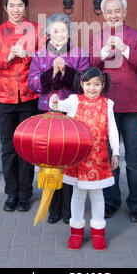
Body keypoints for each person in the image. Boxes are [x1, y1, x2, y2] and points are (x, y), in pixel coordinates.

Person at [0, 0, 44, 213]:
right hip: (4, 97)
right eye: (12, 5)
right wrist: (6, 57)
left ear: (26, 8)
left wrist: (26, 52)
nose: (16, 10)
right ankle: (11, 193)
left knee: (26, 148)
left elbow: (47, 57)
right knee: (8, 148)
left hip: (29, 95)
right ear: (5, 8)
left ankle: (25, 193)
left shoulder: (36, 30)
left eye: (20, 6)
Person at [89, 0, 137, 222]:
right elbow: (91, 67)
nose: (113, 15)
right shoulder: (97, 36)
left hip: (133, 104)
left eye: (117, 11)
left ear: (124, 12)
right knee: (107, 157)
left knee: (134, 158)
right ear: (103, 15)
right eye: (109, 12)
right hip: (106, 105)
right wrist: (102, 54)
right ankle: (111, 201)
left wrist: (123, 47)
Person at [28, 13, 89, 224]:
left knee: (70, 160)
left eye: (63, 31)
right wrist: (51, 71)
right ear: (48, 33)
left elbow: (83, 83)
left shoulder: (80, 54)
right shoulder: (39, 55)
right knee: (50, 160)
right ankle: (52, 207)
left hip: (71, 112)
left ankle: (68, 208)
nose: (59, 35)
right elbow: (33, 84)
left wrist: (66, 70)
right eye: (55, 31)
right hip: (48, 112)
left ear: (69, 32)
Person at [49, 67, 120, 251]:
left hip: (99, 158)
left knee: (97, 196)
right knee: (78, 195)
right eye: (88, 84)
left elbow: (112, 129)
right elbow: (57, 106)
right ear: (81, 84)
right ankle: (76, 232)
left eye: (96, 84)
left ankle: (98, 233)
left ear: (103, 84)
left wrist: (116, 152)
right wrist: (54, 100)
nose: (92, 88)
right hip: (78, 158)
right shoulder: (74, 101)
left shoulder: (108, 104)